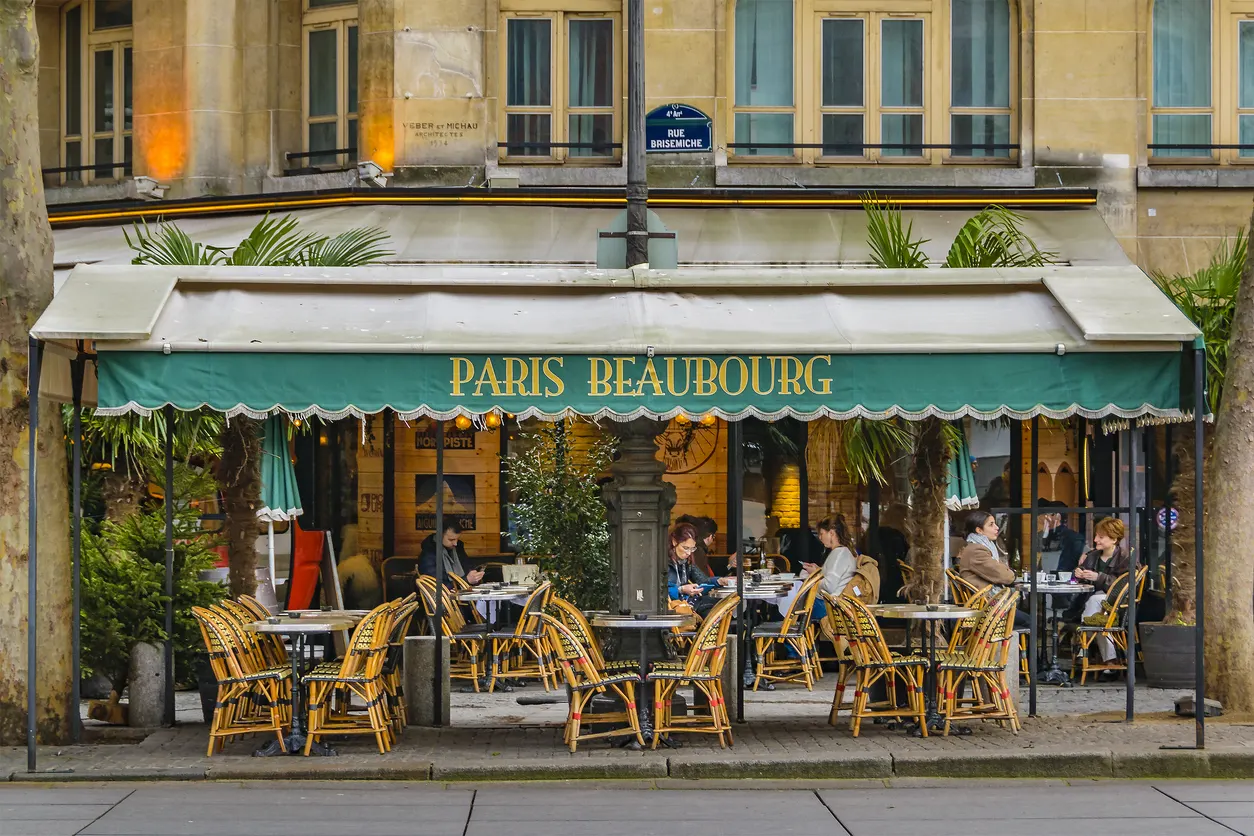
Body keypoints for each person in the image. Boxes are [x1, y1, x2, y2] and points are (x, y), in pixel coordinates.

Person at [957, 510, 1030, 629]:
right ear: (979, 530)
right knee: (1029, 621)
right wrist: (1012, 574)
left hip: (988, 604)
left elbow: (1000, 568)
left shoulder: (981, 547)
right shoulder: (976, 551)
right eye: (991, 524)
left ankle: (1009, 645)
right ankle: (1007, 645)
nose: (997, 528)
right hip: (986, 608)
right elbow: (1004, 575)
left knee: (1025, 619)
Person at [666, 522, 730, 617]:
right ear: (674, 542)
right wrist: (681, 589)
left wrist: (719, 581)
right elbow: (660, 591)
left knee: (722, 606)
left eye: (692, 549)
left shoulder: (687, 561)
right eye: (685, 548)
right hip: (673, 607)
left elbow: (703, 580)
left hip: (686, 603)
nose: (688, 553)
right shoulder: (663, 562)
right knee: (713, 612)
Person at [418, 521, 484, 588]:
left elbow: (468, 567)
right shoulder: (428, 555)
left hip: (463, 593)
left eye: (457, 539)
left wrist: (475, 575)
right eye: (451, 540)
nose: (455, 543)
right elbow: (435, 586)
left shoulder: (458, 548)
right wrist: (466, 580)